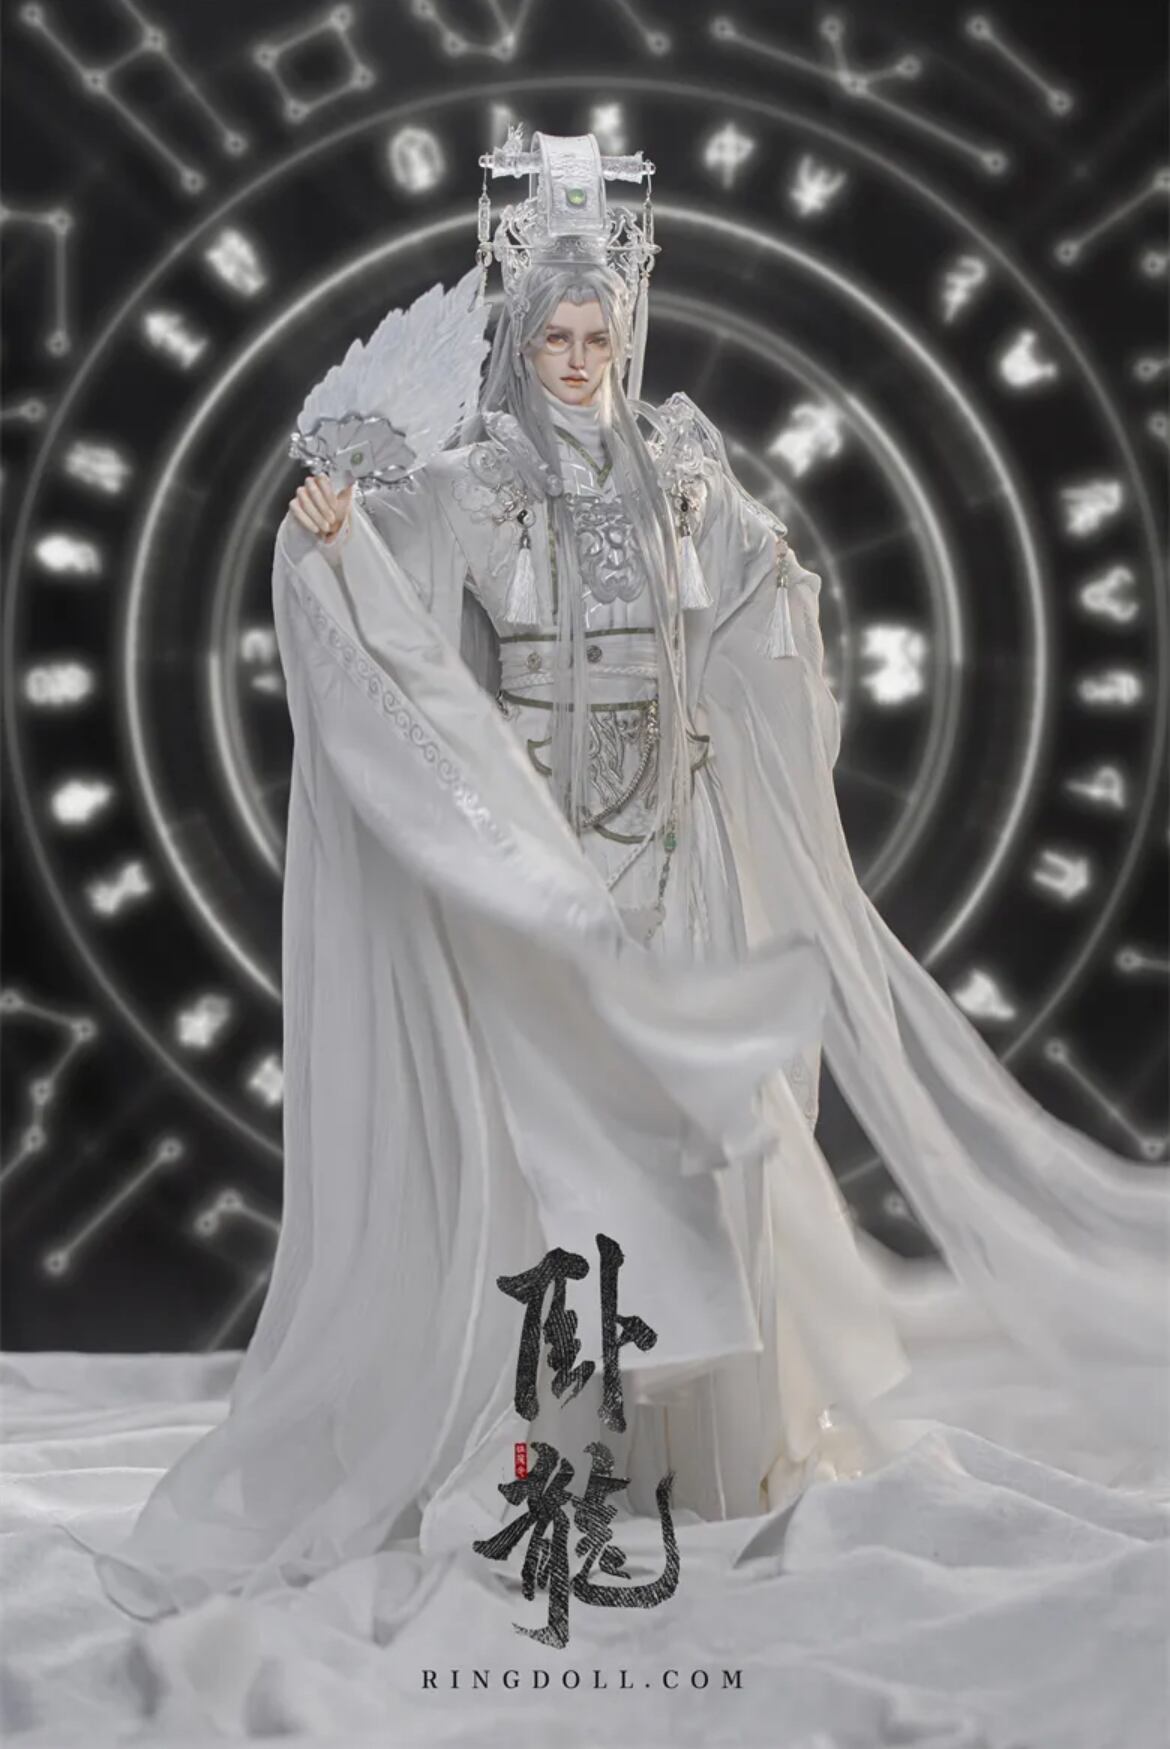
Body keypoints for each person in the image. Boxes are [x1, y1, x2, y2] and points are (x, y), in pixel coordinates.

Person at [78, 129, 1167, 1623]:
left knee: (703, 1136)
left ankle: (694, 1452)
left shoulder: (684, 468)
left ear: (626, 328)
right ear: (520, 342)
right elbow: (381, 590)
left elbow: (758, 604)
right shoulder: (474, 483)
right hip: (542, 859)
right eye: (556, 340)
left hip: (675, 850)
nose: (581, 363)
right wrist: (327, 542)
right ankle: (565, 1452)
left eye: (598, 337)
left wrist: (774, 600)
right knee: (562, 1157)